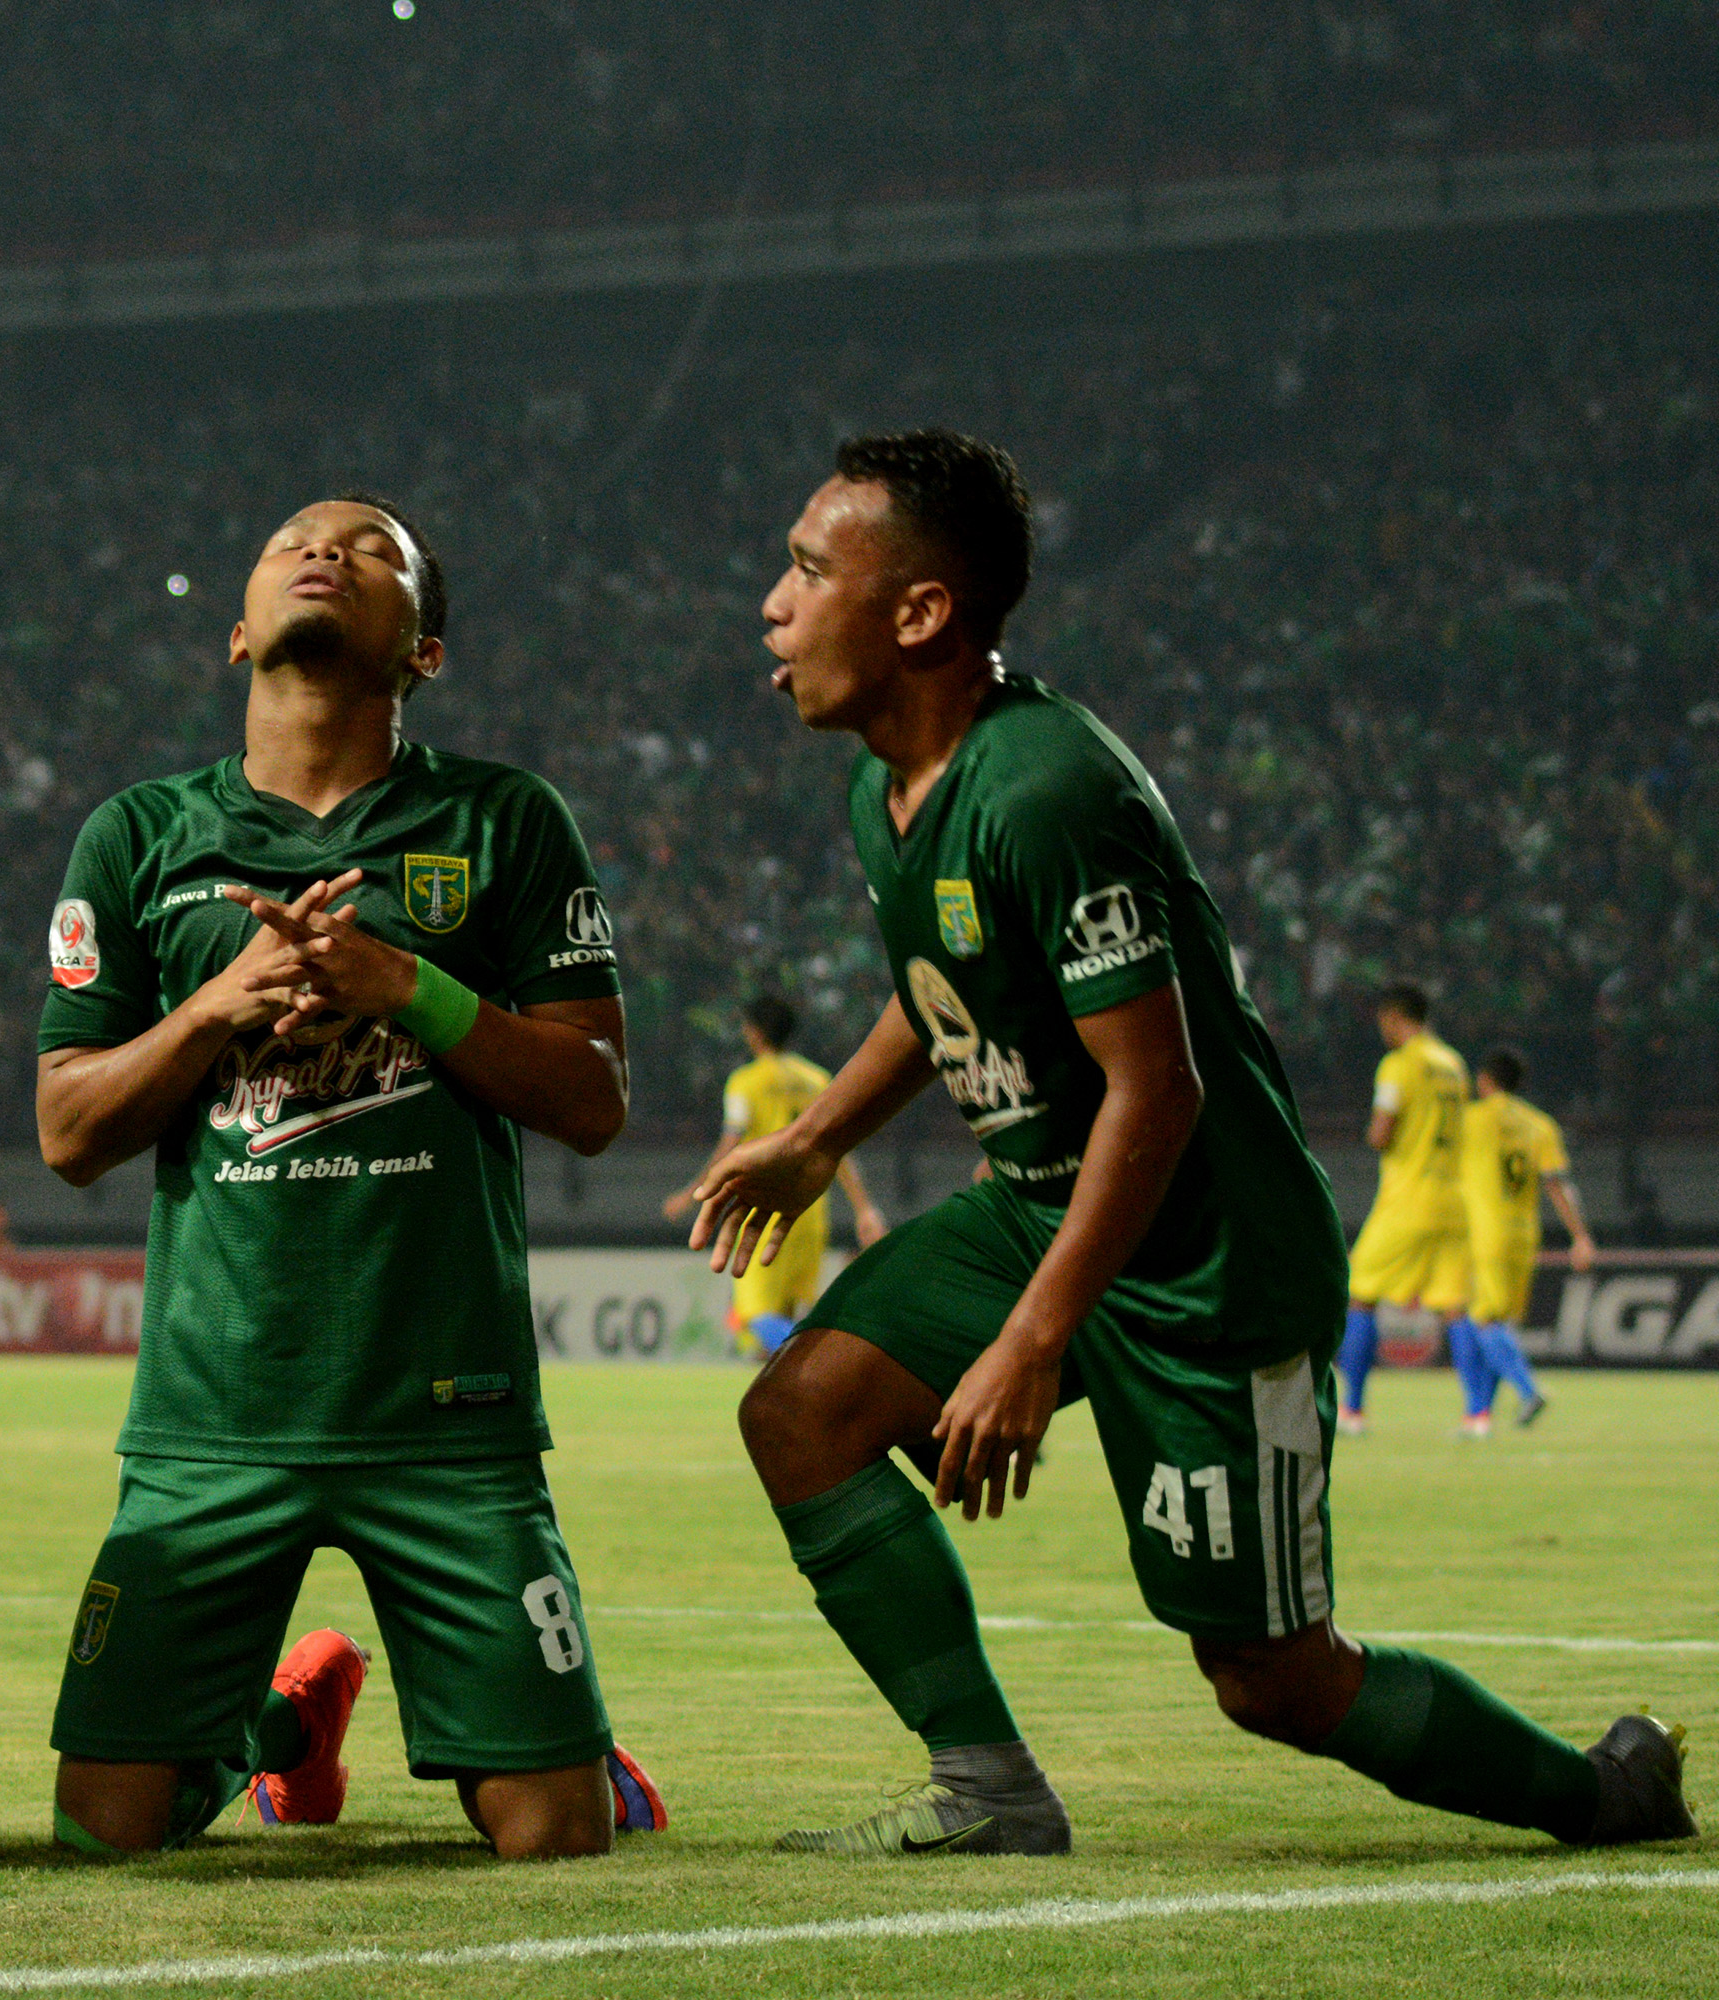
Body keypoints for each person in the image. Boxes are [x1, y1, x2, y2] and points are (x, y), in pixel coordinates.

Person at [688, 428, 1692, 1856]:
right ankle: (988, 1794)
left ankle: (1602, 1795)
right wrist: (813, 1139)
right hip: (1046, 1208)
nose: (772, 604)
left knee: (1271, 1680)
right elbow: (946, 988)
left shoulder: (1045, 788)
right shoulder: (886, 787)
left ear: (918, 613)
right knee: (800, 1412)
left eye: (804, 569)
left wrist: (1032, 1344)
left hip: (1206, 1266)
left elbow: (1157, 1098)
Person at [34, 492, 663, 1861]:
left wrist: (408, 989)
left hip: (447, 1411)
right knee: (106, 1829)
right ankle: (278, 1737)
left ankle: (574, 1754)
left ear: (424, 649)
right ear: (236, 632)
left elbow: (599, 1102)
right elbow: (68, 1132)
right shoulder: (138, 839)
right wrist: (220, 1006)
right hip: (215, 1411)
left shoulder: (504, 822)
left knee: (553, 1836)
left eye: (375, 550)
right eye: (290, 544)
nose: (326, 551)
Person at [663, 994, 888, 1353]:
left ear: (754, 1034)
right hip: (809, 1213)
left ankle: (833, 1358)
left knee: (752, 1316)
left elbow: (730, 1145)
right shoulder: (816, 1078)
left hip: (763, 1210)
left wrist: (693, 1193)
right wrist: (864, 1208)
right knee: (781, 1319)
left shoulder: (745, 1081)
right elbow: (838, 1148)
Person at [1336, 985, 1471, 1434]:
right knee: (1454, 1306)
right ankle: (1478, 1415)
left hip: (1409, 1198)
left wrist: (1375, 1133)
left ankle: (1351, 1412)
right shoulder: (1453, 1064)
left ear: (1394, 1017)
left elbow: (1382, 1132)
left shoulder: (1399, 1064)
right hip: (1454, 1199)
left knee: (1359, 1294)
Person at [1452, 1047, 1596, 1434]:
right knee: (1495, 1320)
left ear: (1485, 1080)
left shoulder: (1471, 1119)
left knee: (1481, 1319)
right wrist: (1580, 1236)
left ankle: (1528, 1391)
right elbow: (1558, 1185)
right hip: (1524, 1234)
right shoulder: (1540, 1124)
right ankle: (1478, 1417)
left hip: (1485, 1232)